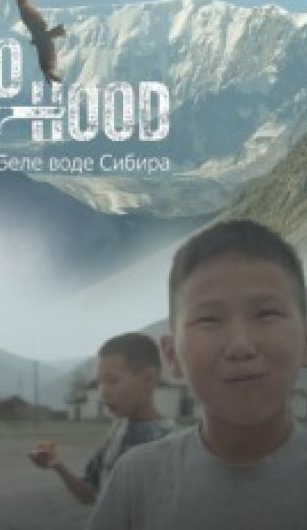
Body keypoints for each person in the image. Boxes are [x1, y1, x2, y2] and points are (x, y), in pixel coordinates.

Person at [88, 219, 307, 529]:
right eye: (209, 319)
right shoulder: (136, 479)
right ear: (172, 355)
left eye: (266, 313)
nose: (240, 346)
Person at [28, 332, 176, 505]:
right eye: (100, 382)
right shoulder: (117, 430)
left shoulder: (173, 445)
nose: (102, 393)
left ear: (148, 380)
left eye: (112, 381)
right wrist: (58, 465)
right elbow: (89, 495)